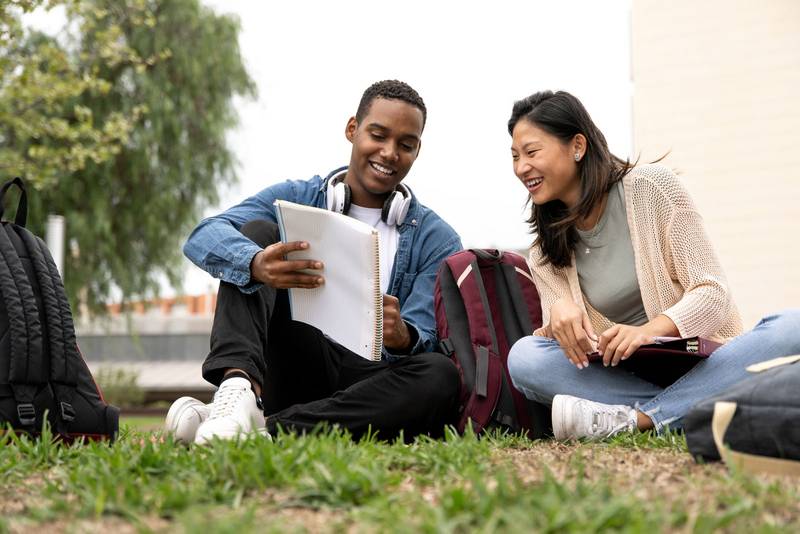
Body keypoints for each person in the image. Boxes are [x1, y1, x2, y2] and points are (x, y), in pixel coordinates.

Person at [167, 80, 462, 445]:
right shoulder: (296, 197)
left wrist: (403, 336)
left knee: (440, 374)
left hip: (370, 383)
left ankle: (263, 430)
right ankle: (237, 390)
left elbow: (428, 337)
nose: (389, 153)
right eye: (378, 135)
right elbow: (204, 234)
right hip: (295, 360)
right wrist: (255, 263)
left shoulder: (438, 239)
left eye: (406, 145)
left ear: (417, 150)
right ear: (352, 129)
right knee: (256, 232)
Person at [505, 90, 800, 440]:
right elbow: (567, 348)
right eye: (514, 156)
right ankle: (692, 408)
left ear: (578, 146)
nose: (521, 167)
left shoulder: (651, 189)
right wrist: (558, 318)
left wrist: (648, 332)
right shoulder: (543, 253)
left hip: (706, 362)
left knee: (792, 327)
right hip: (625, 377)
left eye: (531, 152)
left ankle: (642, 419)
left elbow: (713, 294)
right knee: (524, 357)